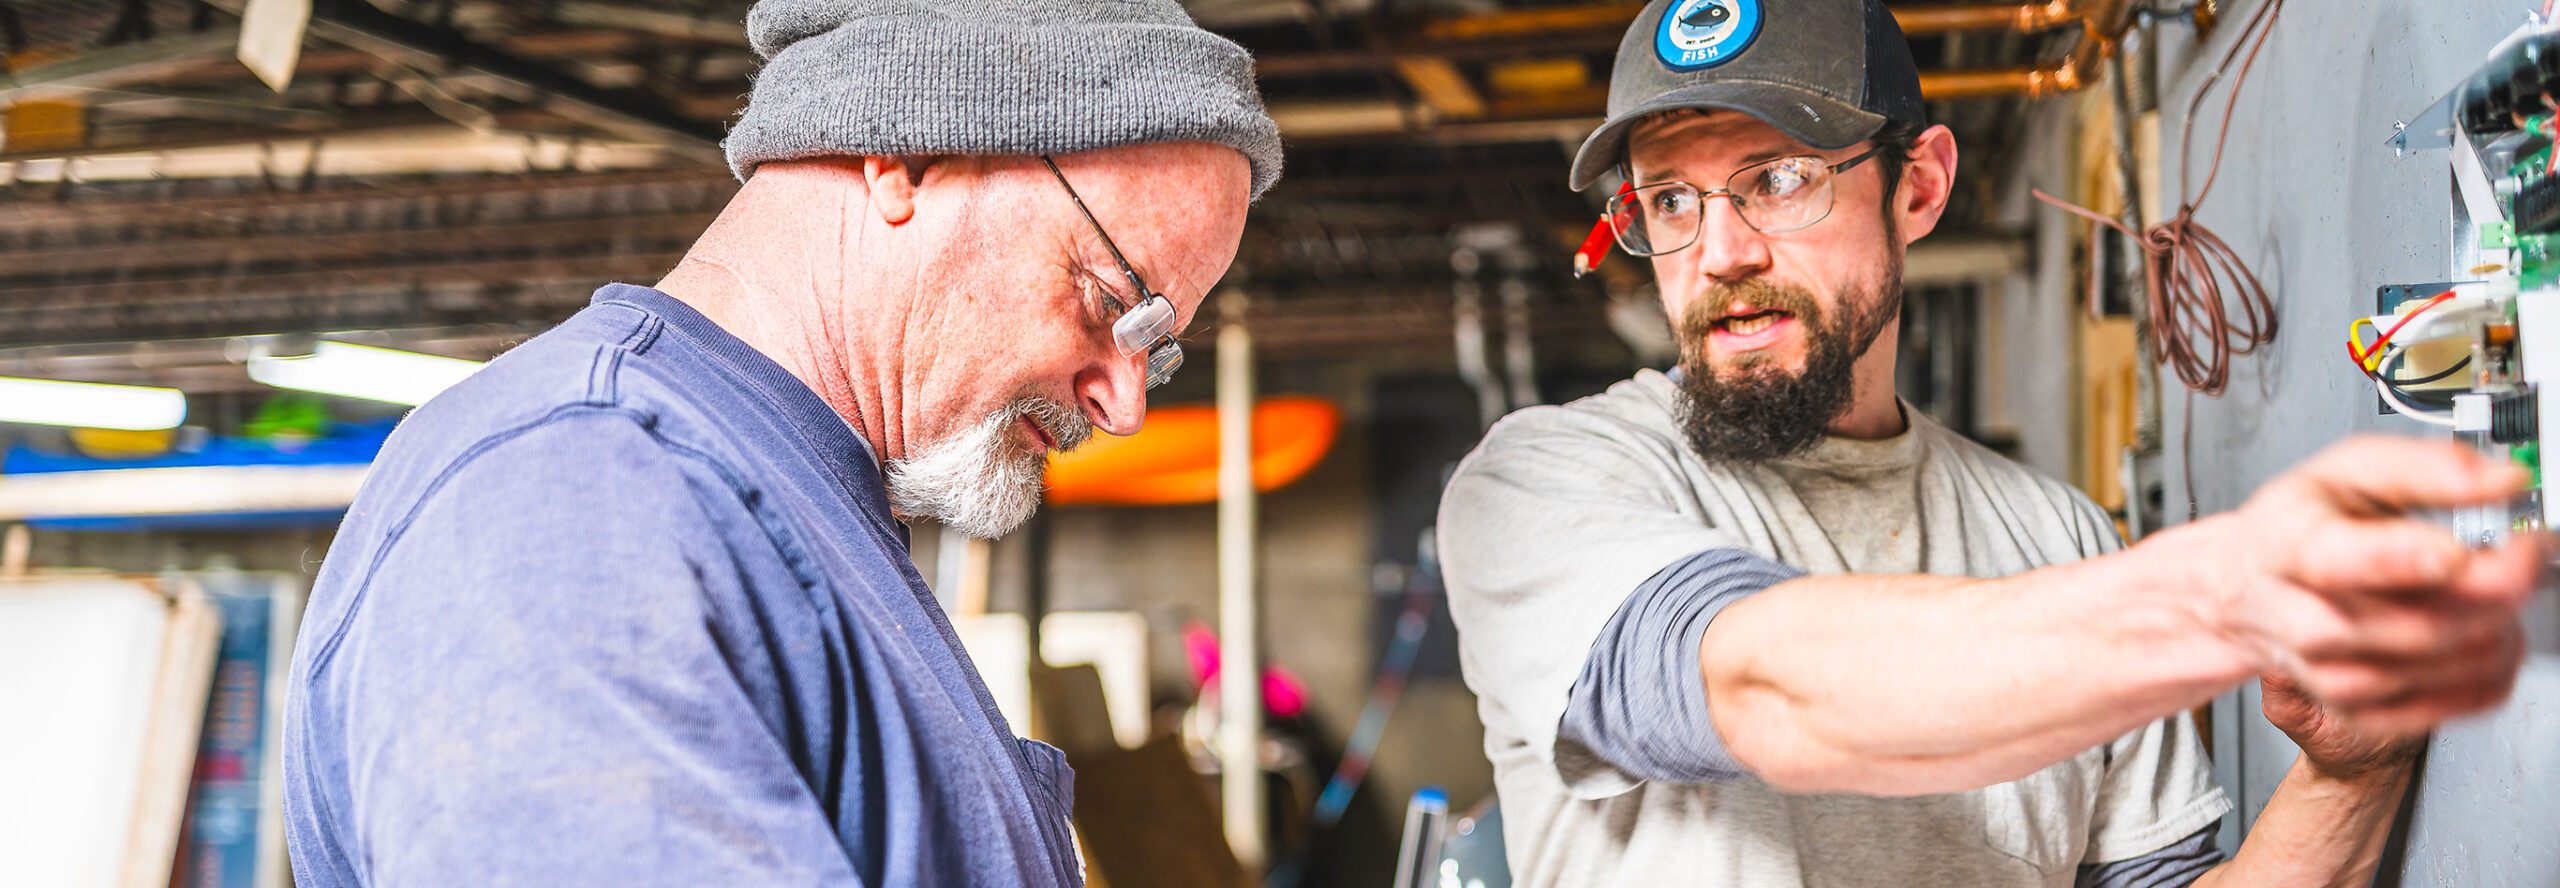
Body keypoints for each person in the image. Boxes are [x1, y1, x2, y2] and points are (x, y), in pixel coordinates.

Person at [1436, 1, 2539, 885]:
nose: (1717, 251)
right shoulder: (1538, 484)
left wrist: (2350, 773)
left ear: (1917, 187)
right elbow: (1766, 690)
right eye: (1668, 200)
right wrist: (2212, 593)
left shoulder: (2055, 536)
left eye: (1776, 181)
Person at [280, 1, 1280, 884]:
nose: (1123, 406)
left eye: (1157, 349)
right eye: (1110, 302)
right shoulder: (574, 500)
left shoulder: (786, 502)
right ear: (911, 155)